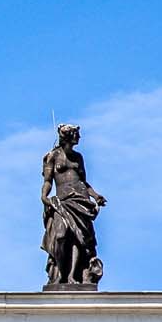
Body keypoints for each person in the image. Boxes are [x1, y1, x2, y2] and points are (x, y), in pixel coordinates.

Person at [40, 123, 106, 289]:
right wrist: (44, 195)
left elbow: (83, 181)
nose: (79, 137)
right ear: (67, 136)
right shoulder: (53, 156)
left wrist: (95, 196)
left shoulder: (78, 158)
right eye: (76, 134)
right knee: (61, 235)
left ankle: (71, 276)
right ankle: (60, 272)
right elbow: (48, 180)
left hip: (80, 199)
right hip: (62, 201)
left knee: (79, 239)